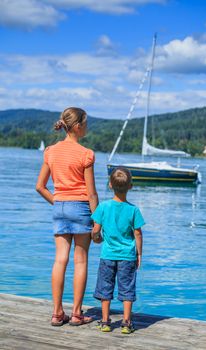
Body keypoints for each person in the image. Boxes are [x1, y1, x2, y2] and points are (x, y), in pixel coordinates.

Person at [36, 107, 98, 326]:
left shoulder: (50, 151)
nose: (87, 127)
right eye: (86, 123)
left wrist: (59, 202)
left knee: (60, 260)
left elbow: (40, 186)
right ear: (78, 126)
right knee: (80, 260)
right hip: (80, 208)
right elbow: (91, 193)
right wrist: (98, 221)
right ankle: (77, 314)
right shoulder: (86, 154)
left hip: (60, 207)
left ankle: (56, 313)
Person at [91, 167, 145, 334]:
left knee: (105, 288)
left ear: (110, 185)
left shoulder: (103, 207)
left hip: (107, 255)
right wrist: (139, 253)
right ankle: (126, 323)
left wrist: (96, 238)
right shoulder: (134, 210)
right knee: (127, 288)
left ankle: (106, 321)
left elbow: (95, 230)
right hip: (127, 257)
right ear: (130, 186)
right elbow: (138, 234)